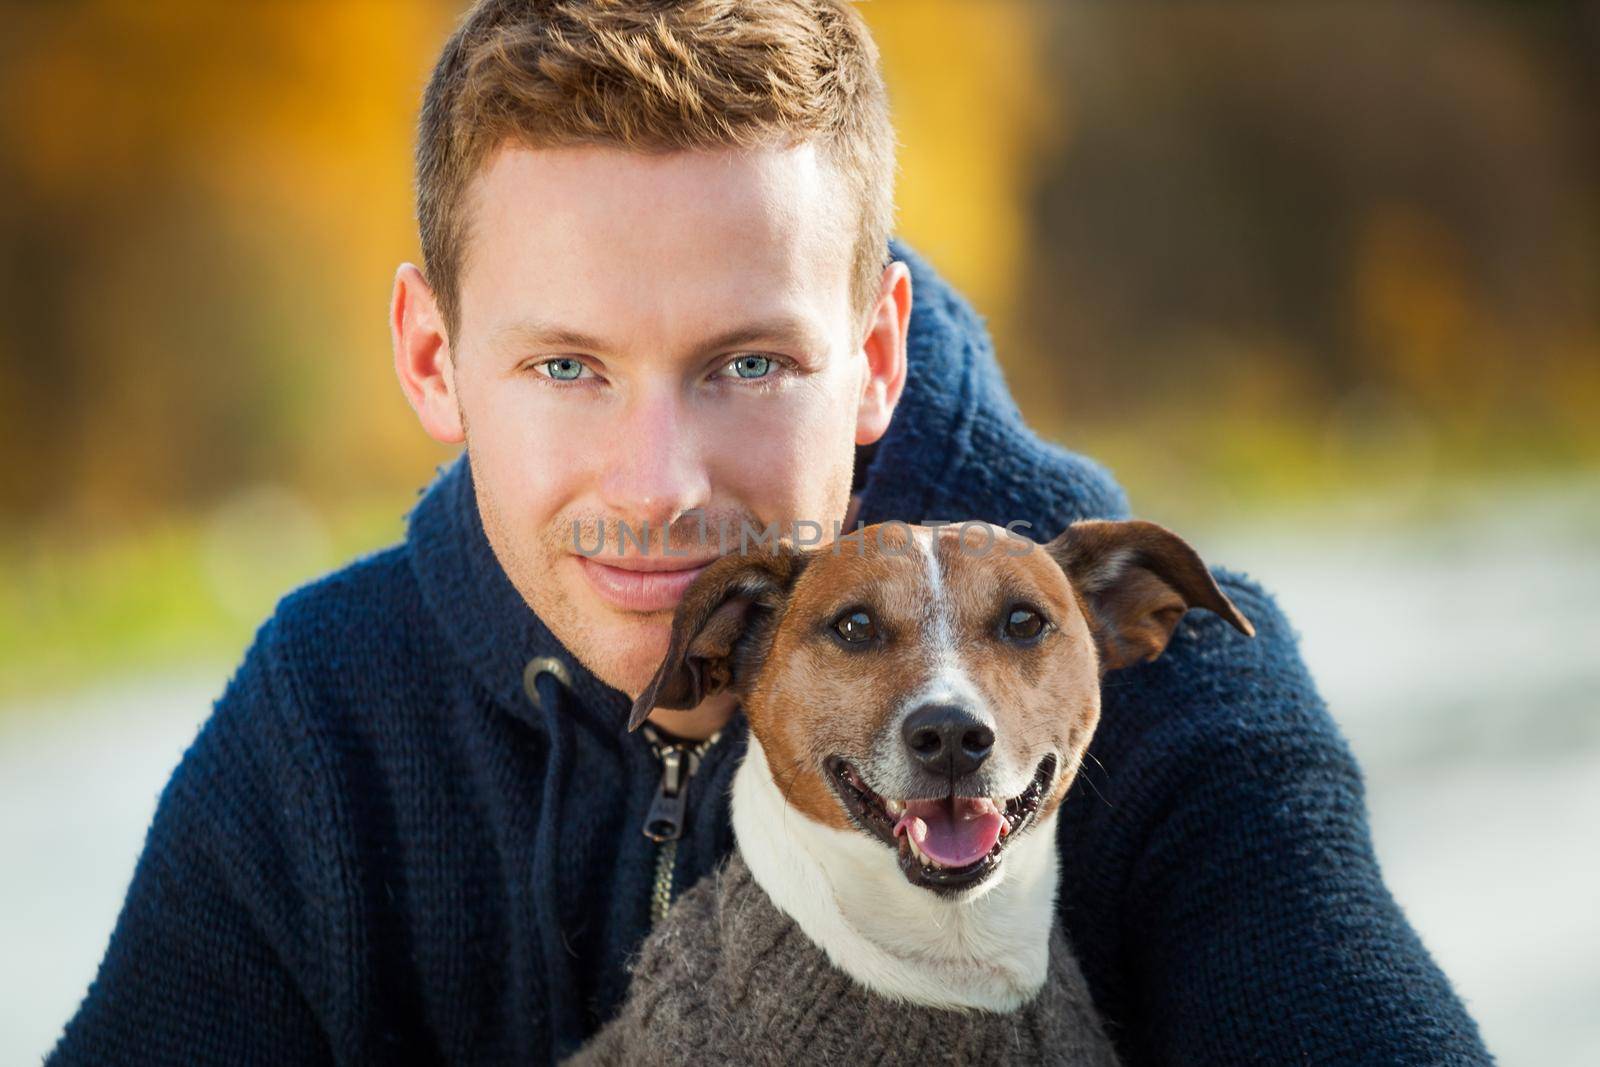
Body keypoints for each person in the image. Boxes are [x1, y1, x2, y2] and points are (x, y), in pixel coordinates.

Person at [47, 1, 1492, 1064]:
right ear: (433, 356)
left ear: (876, 354)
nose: (662, 479)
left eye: (747, 364)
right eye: (568, 367)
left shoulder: (1170, 686)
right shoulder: (330, 719)